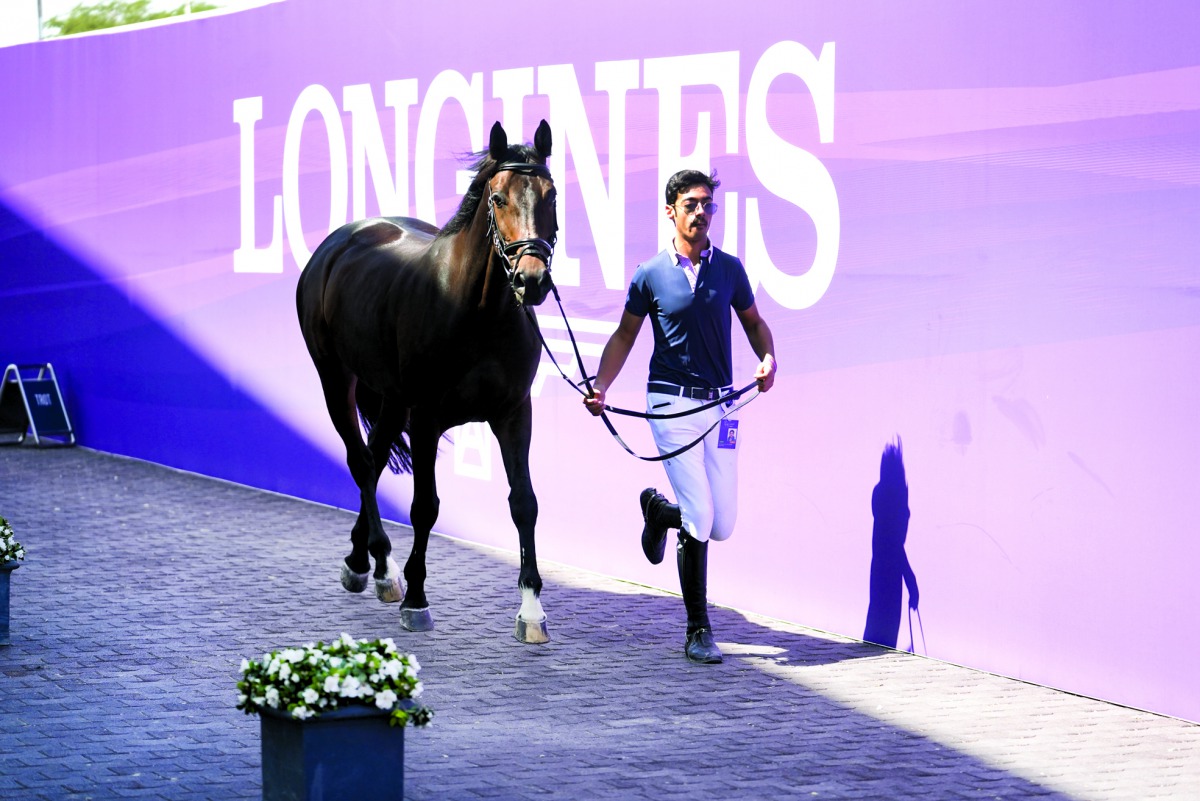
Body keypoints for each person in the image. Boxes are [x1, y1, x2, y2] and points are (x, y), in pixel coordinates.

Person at [584, 169, 777, 663]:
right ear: (671, 211)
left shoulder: (730, 269)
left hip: (722, 407)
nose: (701, 213)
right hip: (670, 404)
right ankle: (698, 629)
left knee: (722, 523)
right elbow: (625, 336)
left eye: (708, 205)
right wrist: (601, 385)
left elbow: (755, 324)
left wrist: (767, 357)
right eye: (690, 204)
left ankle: (658, 512)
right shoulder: (649, 274)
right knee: (703, 513)